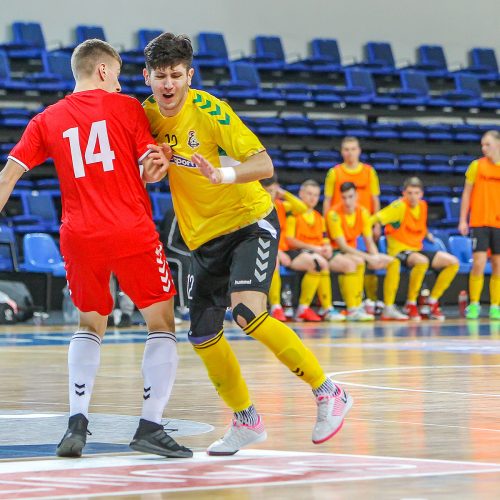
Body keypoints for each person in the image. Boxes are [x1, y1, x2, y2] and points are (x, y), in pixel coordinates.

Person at [142, 33, 353, 455]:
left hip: (248, 221)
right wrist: (152, 171)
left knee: (245, 311)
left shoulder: (210, 110)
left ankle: (329, 391)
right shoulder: (146, 114)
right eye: (160, 76)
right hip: (203, 237)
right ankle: (245, 420)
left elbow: (264, 163)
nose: (168, 85)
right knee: (202, 334)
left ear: (189, 75)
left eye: (176, 76)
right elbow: (152, 168)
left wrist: (221, 174)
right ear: (147, 76)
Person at [0, 39, 192, 459]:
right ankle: (150, 426)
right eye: (120, 74)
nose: (122, 83)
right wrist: (155, 168)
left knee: (89, 326)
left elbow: (7, 177)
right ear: (104, 71)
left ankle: (76, 425)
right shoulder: (128, 110)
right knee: (161, 323)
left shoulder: (46, 119)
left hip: (80, 235)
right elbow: (150, 168)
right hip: (131, 231)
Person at [372, 177, 459, 320]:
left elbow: (420, 224)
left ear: (421, 194)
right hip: (399, 251)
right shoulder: (398, 207)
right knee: (421, 261)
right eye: (410, 193)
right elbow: (375, 218)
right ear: (404, 193)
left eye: (416, 193)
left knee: (452, 262)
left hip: (417, 248)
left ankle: (432, 301)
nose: (413, 197)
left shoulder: (423, 206)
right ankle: (411, 303)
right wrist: (375, 228)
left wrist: (427, 234)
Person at [323, 137, 381, 313]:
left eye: (353, 149)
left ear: (359, 150)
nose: (350, 152)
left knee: (368, 261)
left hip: (362, 224)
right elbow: (327, 200)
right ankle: (353, 304)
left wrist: (376, 223)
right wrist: (325, 228)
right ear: (342, 152)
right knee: (352, 260)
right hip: (339, 224)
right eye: (346, 149)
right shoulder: (335, 172)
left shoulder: (369, 172)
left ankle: (369, 299)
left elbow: (374, 198)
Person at [326, 182, 393, 321]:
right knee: (354, 263)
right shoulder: (333, 214)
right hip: (333, 252)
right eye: (344, 198)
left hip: (351, 252)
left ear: (356, 196)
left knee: (391, 261)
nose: (347, 201)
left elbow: (369, 241)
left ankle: (383, 306)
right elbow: (342, 246)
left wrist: (375, 256)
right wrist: (370, 258)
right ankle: (352, 308)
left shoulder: (363, 212)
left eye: (350, 197)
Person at [285, 179, 346, 322]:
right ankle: (303, 308)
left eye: (316, 195)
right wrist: (314, 248)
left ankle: (326, 308)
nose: (312, 198)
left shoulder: (319, 218)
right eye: (309, 194)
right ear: (301, 194)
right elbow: (290, 240)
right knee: (318, 263)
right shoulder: (293, 215)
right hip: (294, 252)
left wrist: (327, 247)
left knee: (325, 262)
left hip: (315, 252)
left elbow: (324, 238)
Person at [459, 130, 500, 320]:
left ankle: (495, 306)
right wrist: (462, 219)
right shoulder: (476, 166)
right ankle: (474, 304)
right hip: (480, 221)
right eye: (482, 145)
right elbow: (467, 193)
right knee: (479, 263)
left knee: (498, 264)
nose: (484, 148)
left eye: (488, 144)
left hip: (498, 223)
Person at [260, 174, 308, 321]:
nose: (270, 194)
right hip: (269, 249)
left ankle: (303, 308)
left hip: (286, 249)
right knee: (275, 262)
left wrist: (284, 194)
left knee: (318, 264)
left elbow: (302, 208)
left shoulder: (281, 205)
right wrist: (278, 252)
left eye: (272, 191)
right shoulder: (257, 207)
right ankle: (276, 306)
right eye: (266, 191)